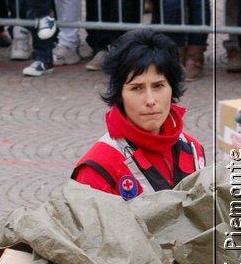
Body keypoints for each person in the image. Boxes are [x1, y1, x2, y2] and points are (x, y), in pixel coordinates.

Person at [71, 29, 205, 196]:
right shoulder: (98, 168)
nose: (150, 100)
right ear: (119, 94)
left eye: (158, 86)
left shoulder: (193, 149)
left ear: (172, 89)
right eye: (137, 88)